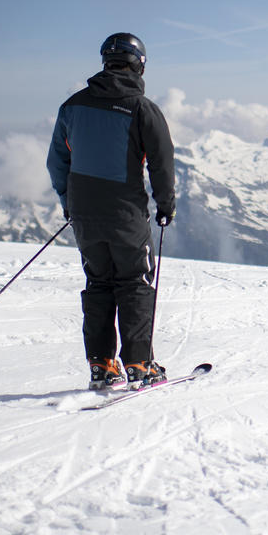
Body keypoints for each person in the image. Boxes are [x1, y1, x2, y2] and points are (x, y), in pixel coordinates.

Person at [46, 32, 176, 390]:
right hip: (126, 215)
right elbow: (162, 165)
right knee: (134, 281)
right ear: (140, 65)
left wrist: (69, 203)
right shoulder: (142, 109)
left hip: (85, 215)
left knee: (99, 282)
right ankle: (139, 364)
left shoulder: (72, 107)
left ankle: (102, 366)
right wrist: (166, 205)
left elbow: (57, 162)